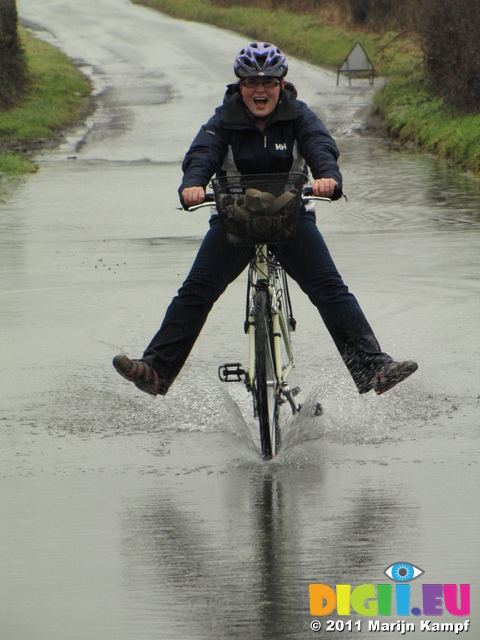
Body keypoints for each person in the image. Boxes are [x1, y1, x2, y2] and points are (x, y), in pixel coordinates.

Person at [113, 42, 417, 397]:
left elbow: (320, 146)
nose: (260, 90)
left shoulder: (300, 116)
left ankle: (373, 368)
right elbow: (203, 153)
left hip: (291, 218)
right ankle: (156, 370)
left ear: (281, 83)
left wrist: (328, 178)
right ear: (240, 86)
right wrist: (193, 184)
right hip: (235, 218)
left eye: (269, 82)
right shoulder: (223, 120)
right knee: (196, 290)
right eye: (251, 82)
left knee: (330, 290)